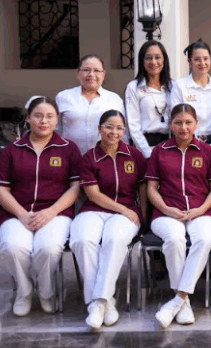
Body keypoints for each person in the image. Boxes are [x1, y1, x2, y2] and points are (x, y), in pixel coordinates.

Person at [0, 97, 82, 316]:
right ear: (28, 118)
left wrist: (51, 211)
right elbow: (1, 188)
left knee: (48, 248)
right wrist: (22, 214)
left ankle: (46, 291)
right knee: (13, 247)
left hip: (56, 212)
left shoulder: (68, 148)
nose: (44, 121)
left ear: (57, 119)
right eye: (38, 116)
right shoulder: (13, 149)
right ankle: (24, 291)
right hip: (16, 213)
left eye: (49, 116)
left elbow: (76, 187)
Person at [145, 104, 211, 328]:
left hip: (201, 211)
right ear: (171, 125)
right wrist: (167, 209)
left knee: (204, 240)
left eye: (188, 122)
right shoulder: (159, 151)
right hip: (167, 212)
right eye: (178, 123)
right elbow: (151, 189)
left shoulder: (208, 151)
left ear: (196, 124)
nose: (184, 127)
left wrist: (201, 209)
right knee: (174, 239)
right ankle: (184, 303)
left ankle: (179, 299)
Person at [69, 110, 147, 329]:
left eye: (119, 128)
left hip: (127, 212)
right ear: (99, 129)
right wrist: (123, 209)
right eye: (109, 127)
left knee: (114, 240)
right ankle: (104, 302)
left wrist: (143, 217)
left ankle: (98, 303)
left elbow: (142, 188)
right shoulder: (88, 158)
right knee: (82, 241)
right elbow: (93, 195)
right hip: (94, 210)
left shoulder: (134, 155)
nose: (114, 132)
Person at [56, 55, 126, 155]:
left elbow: (123, 133)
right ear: (78, 73)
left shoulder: (115, 99)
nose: (91, 74)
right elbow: (56, 130)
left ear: (103, 74)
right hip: (69, 157)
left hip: (104, 158)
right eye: (86, 70)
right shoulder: (63, 97)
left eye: (96, 70)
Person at [170, 40, 211, 150]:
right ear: (190, 62)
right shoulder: (179, 86)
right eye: (197, 59)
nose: (202, 63)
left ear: (210, 60)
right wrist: (191, 142)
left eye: (205, 59)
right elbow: (176, 118)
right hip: (187, 143)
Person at [125, 40, 172, 158]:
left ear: (164, 60)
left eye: (158, 57)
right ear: (142, 61)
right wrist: (148, 154)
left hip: (170, 147)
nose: (153, 62)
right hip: (144, 148)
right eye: (148, 58)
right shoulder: (134, 87)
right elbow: (133, 126)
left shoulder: (173, 86)